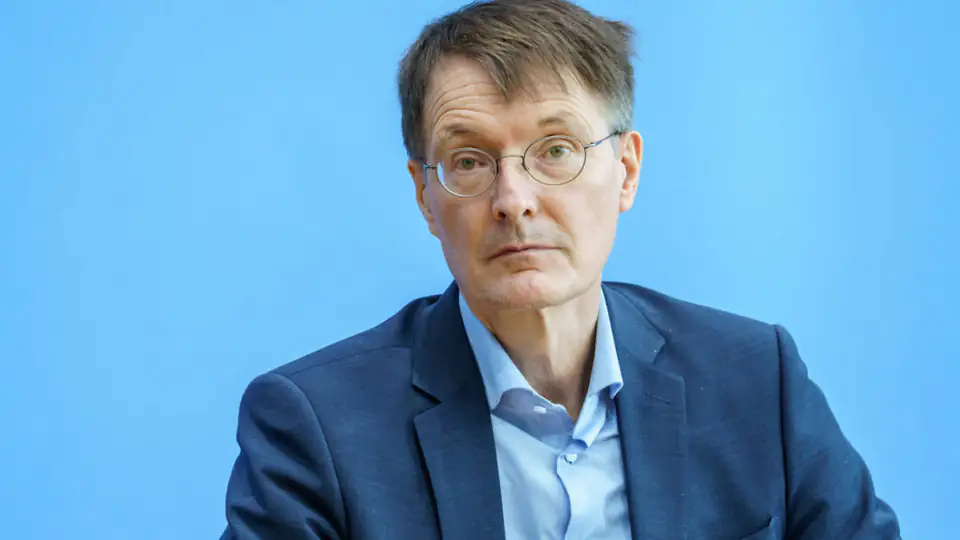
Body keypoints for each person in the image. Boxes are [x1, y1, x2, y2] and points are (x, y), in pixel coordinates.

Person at [219, 1, 901, 538]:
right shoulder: (316, 427)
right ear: (425, 196)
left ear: (626, 170)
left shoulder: (756, 380)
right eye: (468, 161)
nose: (513, 200)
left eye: (556, 150)